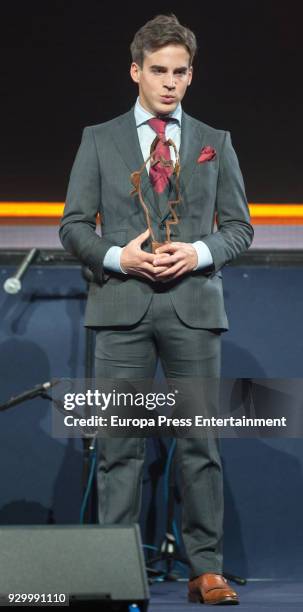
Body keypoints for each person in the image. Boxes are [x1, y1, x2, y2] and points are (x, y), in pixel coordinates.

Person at [59, 14, 253, 605]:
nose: (169, 83)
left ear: (191, 76)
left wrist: (196, 252)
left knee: (201, 444)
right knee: (119, 444)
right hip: (120, 308)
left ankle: (205, 570)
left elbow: (240, 228)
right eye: (158, 71)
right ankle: (114, 573)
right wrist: (119, 256)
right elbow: (71, 227)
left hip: (193, 309)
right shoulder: (99, 138)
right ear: (136, 71)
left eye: (180, 72)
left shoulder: (216, 142)